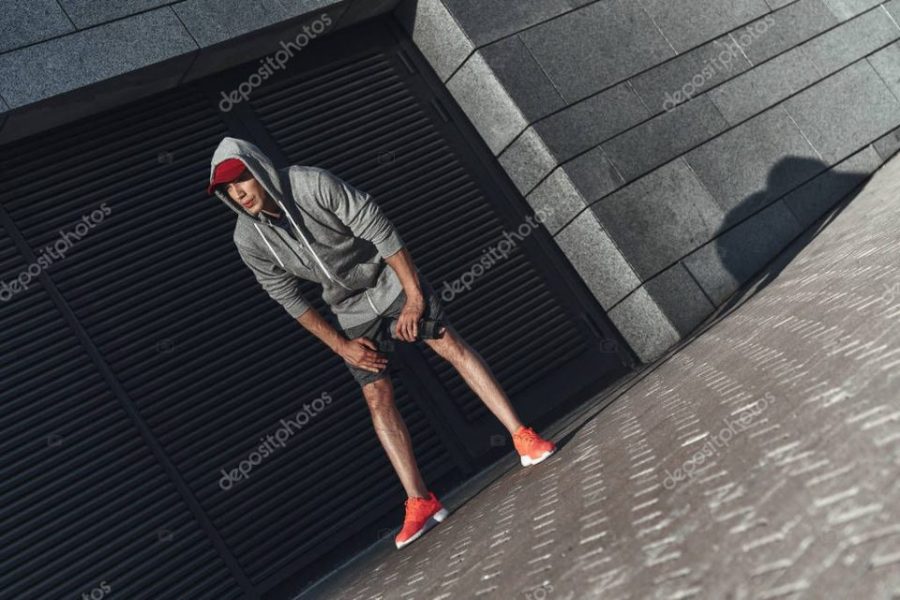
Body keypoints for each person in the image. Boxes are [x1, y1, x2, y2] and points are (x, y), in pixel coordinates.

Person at [208, 136, 557, 549]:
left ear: (258, 168)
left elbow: (377, 225)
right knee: (376, 395)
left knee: (446, 342)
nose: (239, 192)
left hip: (389, 279)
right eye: (228, 189)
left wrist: (413, 297)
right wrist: (342, 346)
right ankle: (420, 501)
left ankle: (521, 435)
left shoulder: (311, 184)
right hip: (349, 308)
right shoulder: (248, 239)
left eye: (242, 179)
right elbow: (287, 297)